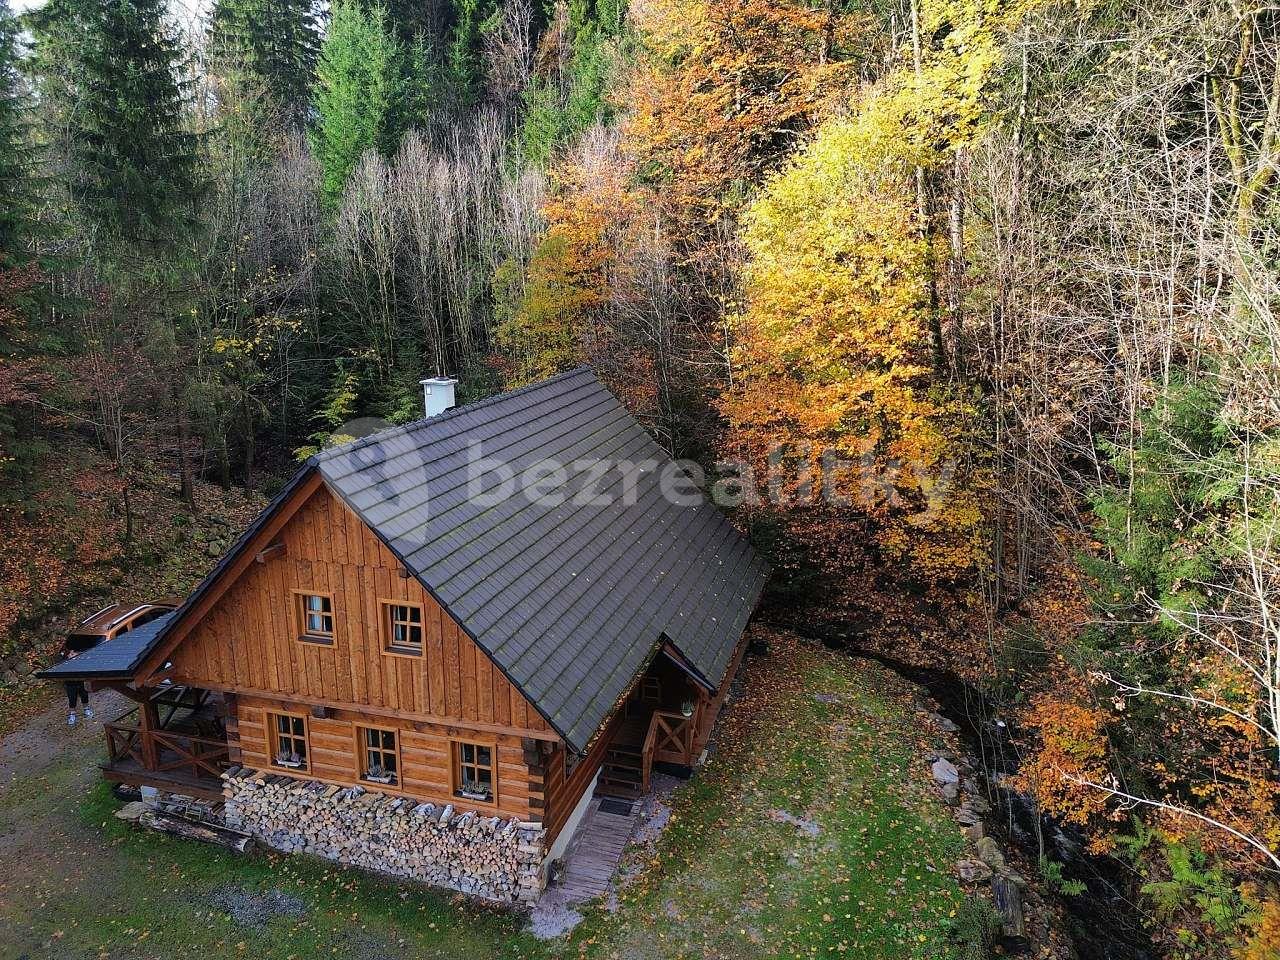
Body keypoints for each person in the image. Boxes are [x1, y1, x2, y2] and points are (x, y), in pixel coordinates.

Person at [62, 648, 93, 725]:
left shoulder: (79, 660)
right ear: (67, 655)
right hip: (70, 684)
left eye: (74, 653)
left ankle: (87, 710)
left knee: (84, 695)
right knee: (72, 699)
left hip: (80, 682)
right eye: (71, 654)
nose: (73, 655)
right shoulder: (64, 663)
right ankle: (72, 715)